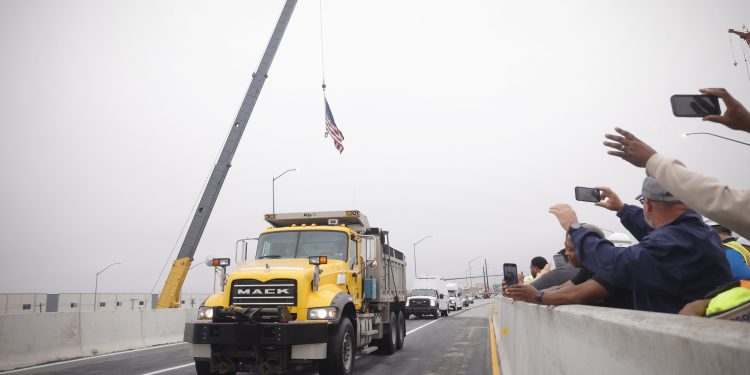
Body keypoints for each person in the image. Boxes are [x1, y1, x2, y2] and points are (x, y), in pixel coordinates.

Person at [549, 178, 733, 313]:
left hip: (683, 344)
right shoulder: (697, 233)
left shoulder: (672, 244)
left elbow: (616, 264)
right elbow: (659, 231)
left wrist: (574, 228)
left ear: (648, 204)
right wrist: (622, 208)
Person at [602, 88, 750, 239]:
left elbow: (717, 199)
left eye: (645, 200)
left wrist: (652, 160)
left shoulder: (681, 244)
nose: (644, 206)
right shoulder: (700, 240)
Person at [505, 224, 632, 309]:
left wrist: (536, 296)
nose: (566, 254)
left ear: (588, 248)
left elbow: (576, 295)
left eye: (570, 249)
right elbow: (562, 288)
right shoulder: (588, 269)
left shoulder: (611, 270)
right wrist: (520, 293)